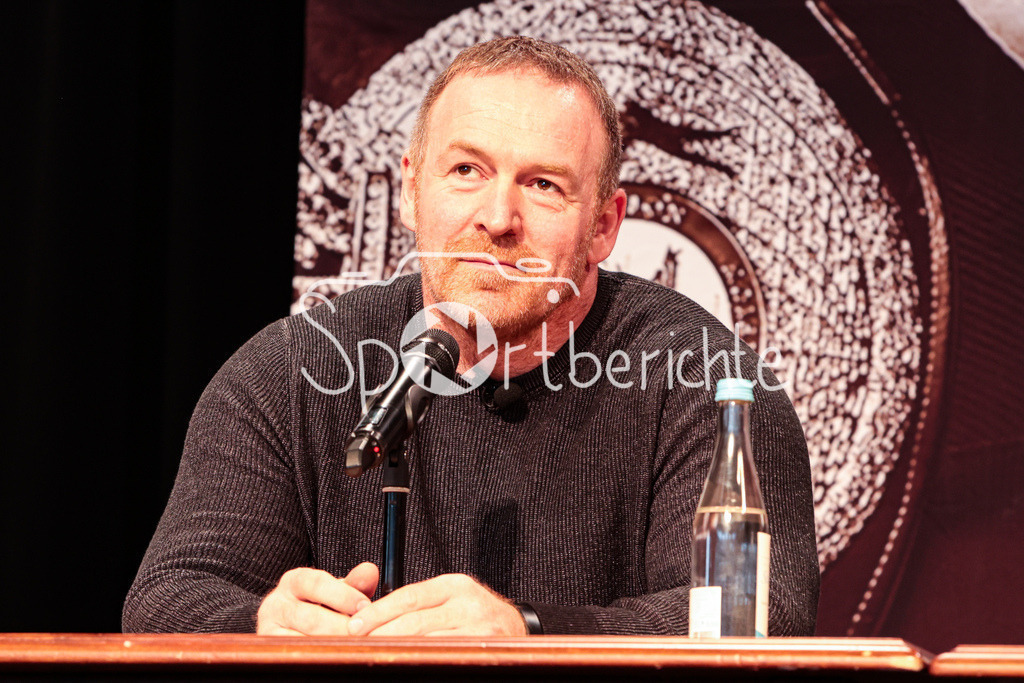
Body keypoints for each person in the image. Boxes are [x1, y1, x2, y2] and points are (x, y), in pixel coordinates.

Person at [124, 36, 819, 636]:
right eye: (466, 170)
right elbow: (166, 599)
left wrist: (528, 632)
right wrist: (265, 622)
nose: (498, 216)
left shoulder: (699, 378)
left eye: (544, 184)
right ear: (410, 190)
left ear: (605, 226)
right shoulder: (292, 371)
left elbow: (760, 612)